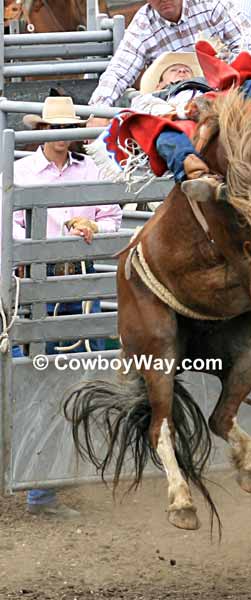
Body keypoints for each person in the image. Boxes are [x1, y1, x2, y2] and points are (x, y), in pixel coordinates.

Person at [10, 96, 122, 518]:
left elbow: (112, 216)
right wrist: (52, 239)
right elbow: (13, 228)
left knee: (77, 373)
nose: (63, 137)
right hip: (33, 283)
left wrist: (94, 226)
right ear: (42, 132)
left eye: (68, 129)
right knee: (39, 380)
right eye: (56, 129)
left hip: (79, 281)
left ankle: (49, 483)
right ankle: (39, 487)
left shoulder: (89, 169)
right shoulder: (20, 171)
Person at [89, 42, 251, 192]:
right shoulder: (153, 100)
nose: (182, 72)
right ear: (159, 84)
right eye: (174, 71)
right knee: (158, 130)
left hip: (224, 110)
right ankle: (195, 173)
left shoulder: (221, 86)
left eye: (186, 69)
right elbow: (145, 114)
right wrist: (185, 111)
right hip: (184, 124)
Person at [88, 0, 251, 122]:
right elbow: (119, 71)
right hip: (173, 107)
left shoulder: (210, 4)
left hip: (225, 91)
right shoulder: (143, 24)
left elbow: (248, 45)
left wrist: (226, 81)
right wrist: (98, 110)